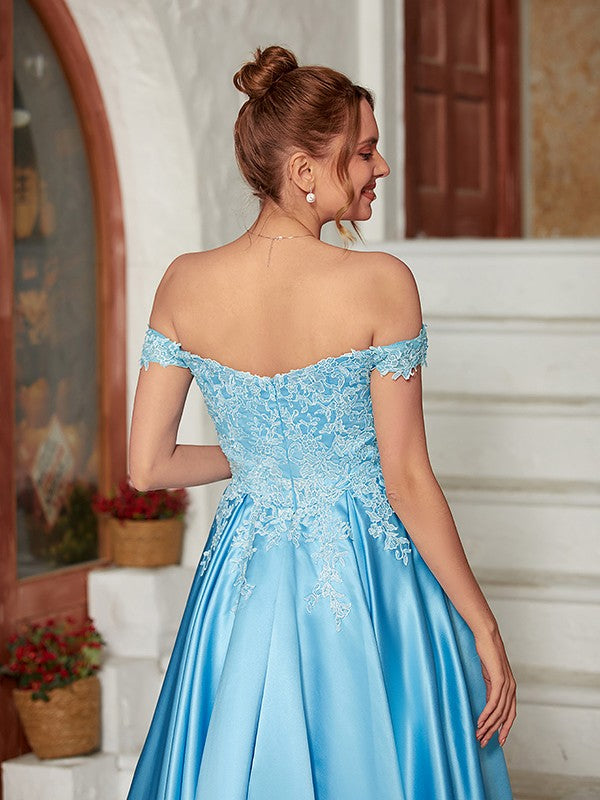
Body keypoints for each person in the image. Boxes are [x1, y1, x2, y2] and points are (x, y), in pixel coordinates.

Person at [126, 44, 516, 799]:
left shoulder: (183, 282)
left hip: (242, 576)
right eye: (365, 151)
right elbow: (406, 479)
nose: (381, 167)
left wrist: (260, 455)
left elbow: (149, 467)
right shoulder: (381, 283)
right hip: (366, 576)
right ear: (304, 169)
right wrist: (484, 626)